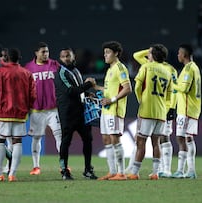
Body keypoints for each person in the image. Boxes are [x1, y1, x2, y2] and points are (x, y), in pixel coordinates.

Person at [0, 48, 36, 182]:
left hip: (3, 113)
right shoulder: (26, 73)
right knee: (17, 142)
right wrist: (27, 108)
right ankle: (12, 174)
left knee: (0, 141)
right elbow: (33, 95)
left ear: (6, 58)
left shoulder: (0, 72)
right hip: (20, 114)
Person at [127, 47, 178, 178]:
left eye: (149, 53)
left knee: (141, 141)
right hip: (161, 112)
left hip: (147, 110)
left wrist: (141, 100)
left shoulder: (146, 67)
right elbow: (170, 95)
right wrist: (165, 108)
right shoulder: (168, 72)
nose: (147, 55)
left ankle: (134, 172)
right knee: (156, 142)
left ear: (153, 55)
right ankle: (155, 173)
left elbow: (137, 86)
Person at [54, 47, 97, 180]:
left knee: (88, 139)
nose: (66, 58)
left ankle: (88, 169)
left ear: (73, 57)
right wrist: (88, 85)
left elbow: (78, 90)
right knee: (66, 141)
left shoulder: (76, 71)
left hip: (81, 112)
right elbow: (70, 91)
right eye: (63, 56)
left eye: (68, 56)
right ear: (60, 59)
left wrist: (87, 93)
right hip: (67, 114)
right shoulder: (61, 73)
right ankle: (64, 171)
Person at [92, 41, 132, 181]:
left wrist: (112, 100)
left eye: (108, 52)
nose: (105, 55)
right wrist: (97, 88)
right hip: (106, 110)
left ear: (116, 53)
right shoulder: (110, 70)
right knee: (106, 139)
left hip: (114, 110)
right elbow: (109, 90)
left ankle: (121, 173)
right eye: (104, 53)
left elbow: (127, 88)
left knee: (115, 138)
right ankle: (112, 171)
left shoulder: (120, 68)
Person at [25, 42, 62, 175]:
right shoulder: (28, 68)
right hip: (37, 110)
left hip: (53, 109)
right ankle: (36, 167)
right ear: (36, 53)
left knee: (59, 136)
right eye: (43, 52)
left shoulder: (54, 65)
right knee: (36, 138)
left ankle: (63, 164)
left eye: (47, 51)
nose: (46, 54)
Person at [172, 44, 201, 179]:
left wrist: (172, 83)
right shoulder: (192, 68)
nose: (177, 55)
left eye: (179, 53)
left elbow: (184, 88)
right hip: (187, 108)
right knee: (184, 138)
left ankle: (189, 170)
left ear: (184, 55)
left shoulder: (189, 68)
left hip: (188, 109)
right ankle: (183, 170)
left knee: (186, 138)